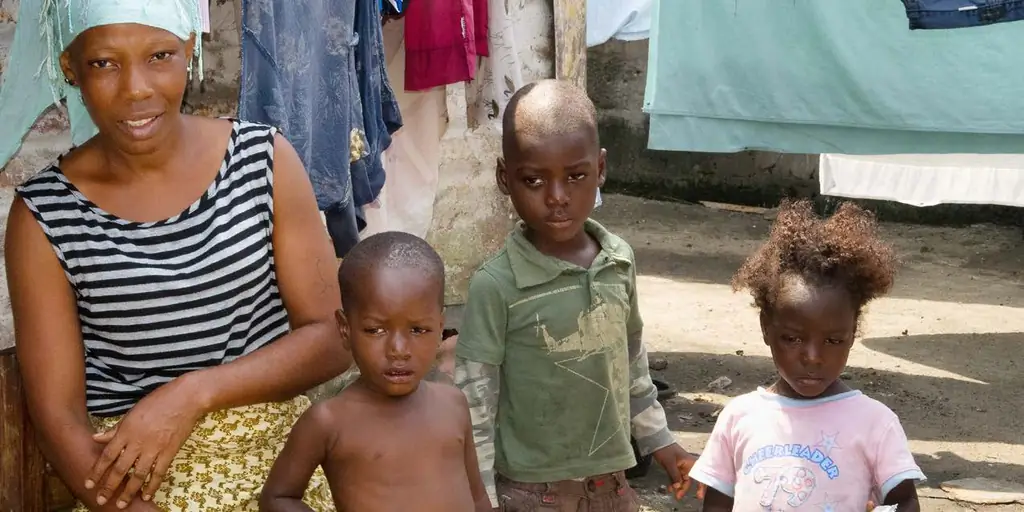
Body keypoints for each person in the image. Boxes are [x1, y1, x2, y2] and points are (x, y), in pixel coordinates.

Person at [1, 1, 347, 510]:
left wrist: (190, 395)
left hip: (284, 475)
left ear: (190, 49)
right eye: (103, 63)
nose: (136, 88)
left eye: (160, 55)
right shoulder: (44, 217)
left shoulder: (262, 161)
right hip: (132, 484)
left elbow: (331, 337)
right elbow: (61, 422)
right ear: (69, 66)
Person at [453, 79, 703, 512]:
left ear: (601, 169)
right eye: (533, 180)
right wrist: (483, 499)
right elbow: (475, 404)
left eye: (576, 176)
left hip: (612, 487)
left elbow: (630, 365)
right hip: (528, 494)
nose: (557, 198)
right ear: (503, 177)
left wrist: (665, 446)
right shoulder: (497, 285)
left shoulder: (618, 261)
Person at [689, 200, 926, 511]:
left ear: (853, 333)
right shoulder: (739, 417)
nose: (813, 357)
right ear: (766, 328)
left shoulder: (875, 422)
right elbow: (717, 504)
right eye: (793, 338)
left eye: (832, 340)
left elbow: (905, 501)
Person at [260, 232, 492, 512]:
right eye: (375, 330)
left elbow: (477, 497)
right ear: (345, 328)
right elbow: (277, 498)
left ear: (440, 326)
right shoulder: (328, 422)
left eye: (418, 330)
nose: (398, 349)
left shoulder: (453, 403)